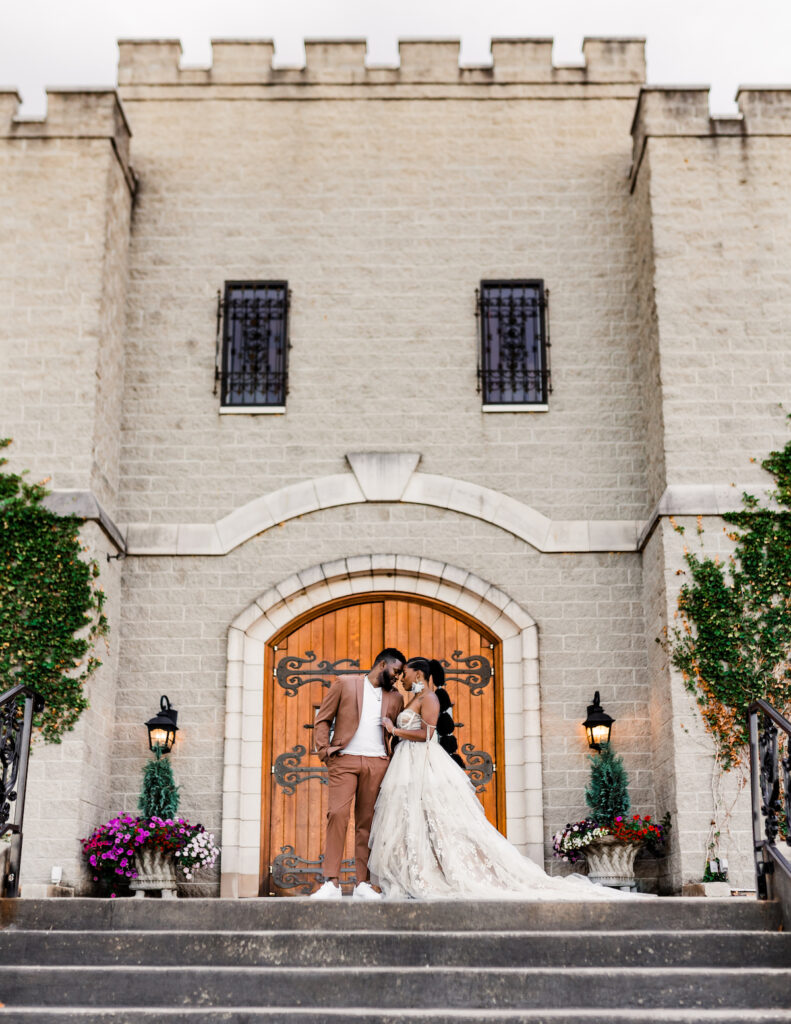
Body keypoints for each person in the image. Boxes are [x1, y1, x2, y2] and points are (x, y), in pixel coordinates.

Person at [369, 656, 648, 901]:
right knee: (413, 819)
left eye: (404, 673)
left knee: (438, 819)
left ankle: (445, 874)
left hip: (423, 763)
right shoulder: (415, 698)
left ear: (418, 674)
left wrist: (395, 730)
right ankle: (416, 872)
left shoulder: (428, 698)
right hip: (408, 764)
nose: (401, 677)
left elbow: (429, 735)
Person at [310, 647, 406, 900]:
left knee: (367, 823)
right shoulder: (345, 683)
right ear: (381, 664)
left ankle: (362, 882)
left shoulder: (396, 698)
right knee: (338, 815)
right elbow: (323, 719)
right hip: (345, 759)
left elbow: (395, 733)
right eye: (395, 671)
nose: (397, 677)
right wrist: (325, 751)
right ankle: (331, 882)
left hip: (378, 763)